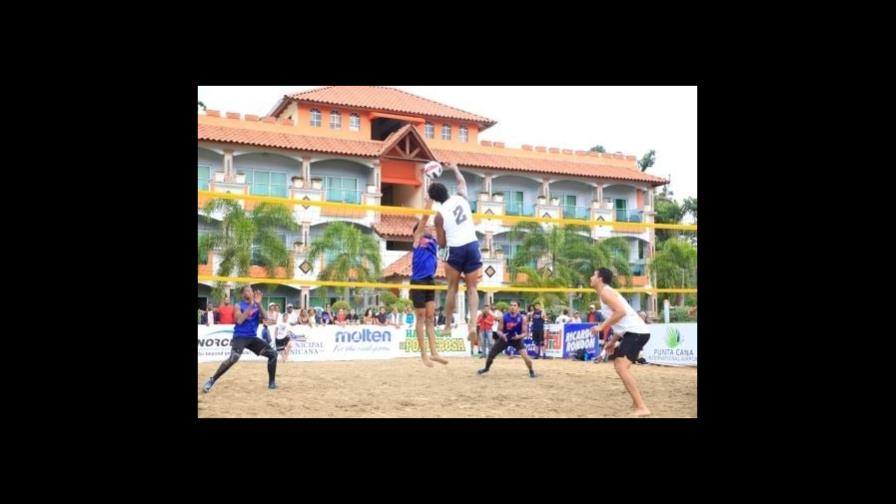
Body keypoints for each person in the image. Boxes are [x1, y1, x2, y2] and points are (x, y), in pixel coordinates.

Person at [428, 162, 482, 343]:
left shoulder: (439, 215)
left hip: (456, 248)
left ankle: (448, 326)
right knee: (472, 288)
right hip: (472, 244)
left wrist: (439, 246)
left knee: (452, 288)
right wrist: (455, 168)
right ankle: (473, 325)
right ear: (447, 191)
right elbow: (461, 182)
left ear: (435, 199)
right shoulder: (461, 198)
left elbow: (442, 243)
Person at [589, 268, 652, 416]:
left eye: (594, 275)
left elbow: (621, 312)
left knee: (620, 366)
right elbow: (622, 320)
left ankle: (642, 407)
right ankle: (637, 403)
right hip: (633, 332)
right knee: (621, 366)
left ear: (600, 278)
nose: (591, 277)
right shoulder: (605, 292)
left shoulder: (605, 292)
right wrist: (612, 341)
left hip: (636, 333)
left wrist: (601, 326)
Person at [202, 286, 278, 393]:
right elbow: (240, 320)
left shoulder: (257, 304)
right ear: (243, 294)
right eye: (247, 291)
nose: (250, 292)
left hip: (252, 337)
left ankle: (272, 383)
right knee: (234, 358)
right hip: (240, 336)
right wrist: (251, 305)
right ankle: (212, 380)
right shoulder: (238, 305)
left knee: (273, 354)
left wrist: (259, 303)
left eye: (251, 290)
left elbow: (265, 317)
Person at [409, 199, 449, 367]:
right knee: (420, 317)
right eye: (422, 227)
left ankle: (434, 353)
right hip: (418, 280)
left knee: (430, 318)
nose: (425, 228)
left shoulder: (433, 240)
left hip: (429, 281)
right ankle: (424, 355)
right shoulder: (418, 239)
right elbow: (425, 218)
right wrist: (430, 200)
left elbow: (442, 231)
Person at [477, 300, 536, 378]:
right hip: (504, 339)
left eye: (514, 305)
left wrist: (519, 336)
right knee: (491, 355)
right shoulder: (504, 317)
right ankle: (486, 368)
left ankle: (531, 370)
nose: (512, 307)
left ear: (518, 307)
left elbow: (525, 332)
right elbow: (498, 330)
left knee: (526, 357)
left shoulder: (522, 318)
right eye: (511, 305)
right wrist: (502, 335)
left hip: (516, 340)